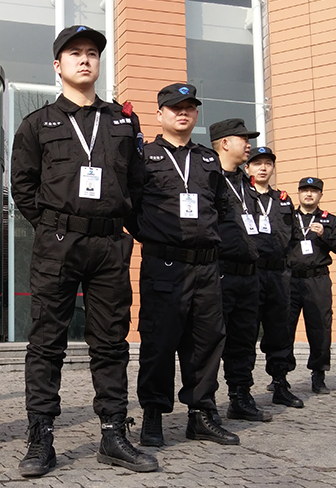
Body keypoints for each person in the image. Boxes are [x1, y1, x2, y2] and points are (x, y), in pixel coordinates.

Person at [11, 25, 157, 476]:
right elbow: (23, 185)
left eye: (92, 52)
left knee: (111, 341)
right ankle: (40, 436)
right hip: (58, 243)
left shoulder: (122, 122)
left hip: (110, 243)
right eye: (74, 53)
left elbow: (137, 181)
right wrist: (53, 225)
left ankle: (113, 433)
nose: (85, 59)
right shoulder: (38, 123)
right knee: (46, 342)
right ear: (58, 66)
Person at [132, 84, 240, 447]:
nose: (183, 113)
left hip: (206, 268)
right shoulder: (145, 157)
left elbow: (222, 208)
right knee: (159, 342)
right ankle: (153, 415)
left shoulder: (208, 160)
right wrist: (154, 235)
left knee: (207, 343)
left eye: (190, 107)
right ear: (159, 114)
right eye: (175, 107)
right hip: (164, 265)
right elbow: (131, 207)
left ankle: (202, 414)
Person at [209, 119, 270, 423]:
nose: (249, 145)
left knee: (245, 340)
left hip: (249, 273)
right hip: (220, 270)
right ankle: (205, 404)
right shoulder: (210, 178)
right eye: (243, 139)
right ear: (224, 143)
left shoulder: (246, 183)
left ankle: (240, 396)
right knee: (212, 341)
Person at [243, 147, 304, 408]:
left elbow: (293, 236)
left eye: (268, 163)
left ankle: (280, 383)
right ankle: (242, 391)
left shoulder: (282, 200)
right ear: (247, 168)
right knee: (246, 332)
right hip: (252, 272)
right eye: (257, 163)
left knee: (279, 331)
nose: (263, 168)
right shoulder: (241, 196)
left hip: (279, 274)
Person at [287, 177, 336, 394]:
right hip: (289, 279)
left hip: (318, 280)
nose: (309, 194)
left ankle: (318, 374)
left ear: (320, 195)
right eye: (304, 190)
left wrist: (325, 235)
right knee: (284, 327)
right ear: (298, 193)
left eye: (313, 191)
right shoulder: (287, 217)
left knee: (320, 328)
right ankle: (280, 376)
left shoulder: (330, 220)